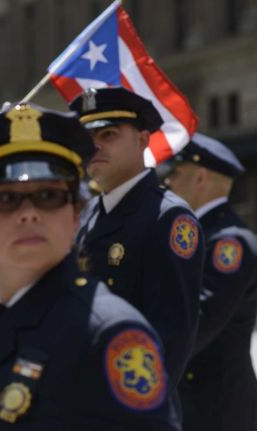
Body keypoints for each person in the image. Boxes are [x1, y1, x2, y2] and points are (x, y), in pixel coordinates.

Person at [0, 102, 179, 430]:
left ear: (75, 214)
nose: (28, 213)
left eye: (48, 196)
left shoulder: (111, 334)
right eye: (5, 198)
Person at [69, 87, 203, 399]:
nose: (96, 146)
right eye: (89, 137)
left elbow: (171, 339)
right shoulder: (89, 215)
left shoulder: (167, 218)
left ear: (143, 140)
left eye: (109, 134)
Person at [162, 133, 257, 431]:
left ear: (201, 178)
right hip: (191, 400)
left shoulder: (229, 242)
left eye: (175, 173)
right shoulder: (197, 234)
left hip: (215, 408)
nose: (167, 182)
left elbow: (200, 320)